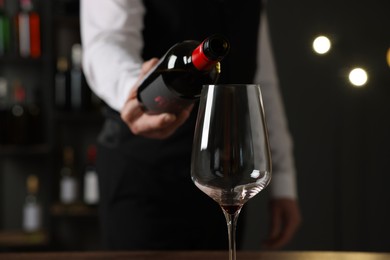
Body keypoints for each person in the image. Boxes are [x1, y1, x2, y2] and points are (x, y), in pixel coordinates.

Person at [80, 0, 302, 250]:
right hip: (145, 176)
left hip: (228, 177)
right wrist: (137, 92)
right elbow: (106, 42)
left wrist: (283, 180)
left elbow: (263, 79)